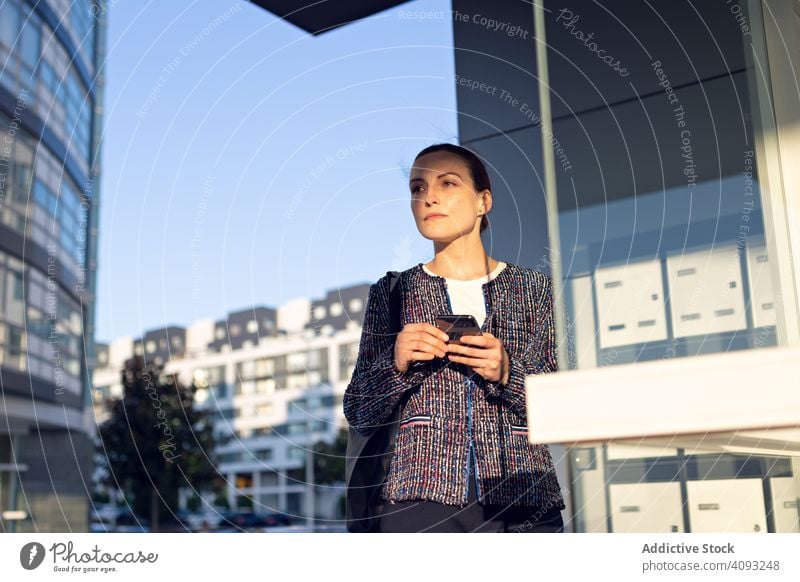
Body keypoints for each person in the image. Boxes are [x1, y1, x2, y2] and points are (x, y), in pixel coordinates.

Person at [343, 143, 566, 533]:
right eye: (416, 188)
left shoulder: (534, 290)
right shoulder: (393, 292)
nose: (428, 197)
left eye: (447, 183)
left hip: (523, 495)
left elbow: (566, 402)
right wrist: (394, 363)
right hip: (419, 500)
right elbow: (358, 409)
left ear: (483, 201)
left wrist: (507, 371)